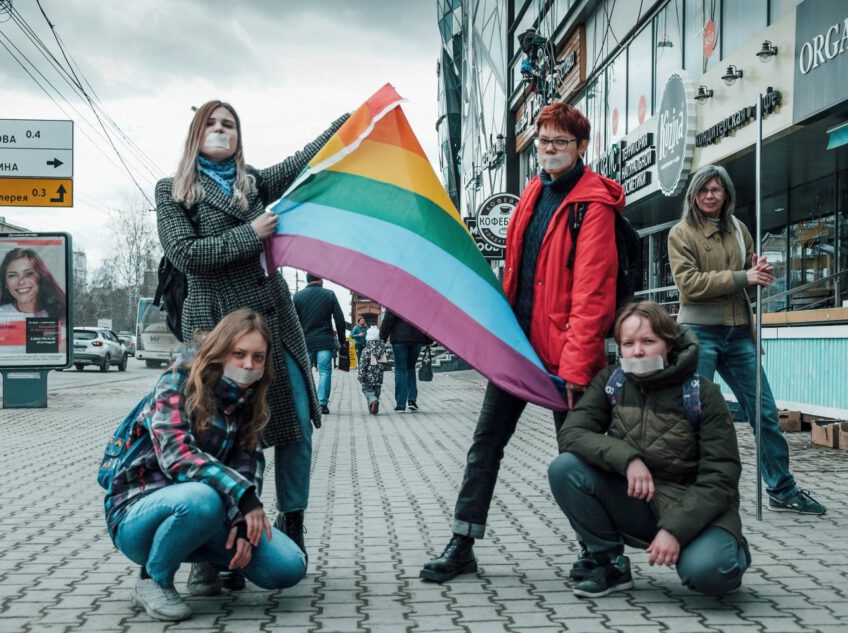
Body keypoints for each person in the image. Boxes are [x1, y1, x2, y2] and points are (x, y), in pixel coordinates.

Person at [420, 102, 624, 582]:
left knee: (576, 455)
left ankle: (603, 554)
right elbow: (517, 274)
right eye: (543, 141)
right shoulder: (533, 193)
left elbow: (592, 294)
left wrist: (576, 369)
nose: (548, 150)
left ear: (580, 147)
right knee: (485, 443)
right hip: (519, 351)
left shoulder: (593, 206)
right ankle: (463, 541)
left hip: (568, 358)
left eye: (559, 142)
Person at [156, 101, 348, 585]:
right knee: (219, 434)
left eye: (230, 126)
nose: (222, 131)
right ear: (196, 133)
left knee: (296, 424)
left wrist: (349, 122)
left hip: (273, 321)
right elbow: (186, 254)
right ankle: (212, 550)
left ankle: (293, 522)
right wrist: (250, 233)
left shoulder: (254, 182)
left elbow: (302, 163)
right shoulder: (174, 191)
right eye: (213, 124)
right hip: (216, 328)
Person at [103, 309, 306, 622]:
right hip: (139, 512)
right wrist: (244, 497)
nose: (248, 365)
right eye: (239, 354)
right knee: (201, 498)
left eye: (258, 357)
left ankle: (205, 563)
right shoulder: (178, 379)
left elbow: (247, 462)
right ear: (220, 349)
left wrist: (241, 522)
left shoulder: (248, 398)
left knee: (288, 565)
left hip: (205, 511)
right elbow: (177, 455)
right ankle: (153, 579)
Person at [549, 301, 750, 598]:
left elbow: (721, 476)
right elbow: (572, 434)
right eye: (628, 343)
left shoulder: (702, 393)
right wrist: (627, 459)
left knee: (712, 574)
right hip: (638, 500)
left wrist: (675, 530)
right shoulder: (611, 382)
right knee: (565, 468)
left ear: (668, 344)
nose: (637, 352)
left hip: (695, 507)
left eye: (648, 341)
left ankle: (729, 550)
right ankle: (610, 564)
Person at [667, 164, 825, 515]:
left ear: (727, 194)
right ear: (693, 194)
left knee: (765, 413)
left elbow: (748, 282)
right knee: (693, 415)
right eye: (704, 189)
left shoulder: (740, 230)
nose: (710, 195)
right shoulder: (681, 233)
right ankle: (683, 490)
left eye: (717, 189)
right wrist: (743, 276)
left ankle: (782, 489)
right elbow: (688, 285)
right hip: (699, 334)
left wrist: (760, 277)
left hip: (739, 334)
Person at [293, 274, 347, 415]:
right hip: (324, 340)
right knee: (324, 371)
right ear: (320, 280)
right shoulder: (329, 294)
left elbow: (292, 320)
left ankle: (306, 404)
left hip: (306, 341)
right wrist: (342, 340)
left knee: (305, 372)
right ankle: (322, 403)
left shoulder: (298, 296)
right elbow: (339, 319)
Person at [379, 310, 432, 412]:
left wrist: (382, 338)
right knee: (410, 368)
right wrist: (428, 340)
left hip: (399, 339)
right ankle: (412, 400)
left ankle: (401, 404)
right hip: (417, 339)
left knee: (400, 369)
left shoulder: (395, 299)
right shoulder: (421, 302)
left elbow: (388, 320)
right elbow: (427, 320)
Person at [0, 247, 66, 319]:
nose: (21, 282)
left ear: (41, 277)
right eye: (13, 275)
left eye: (28, 274)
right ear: (5, 282)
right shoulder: (2, 313)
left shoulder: (61, 314)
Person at [358, 325, 388, 415]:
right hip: (378, 377)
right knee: (376, 391)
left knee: (367, 390)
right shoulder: (382, 349)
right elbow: (384, 363)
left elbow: (362, 364)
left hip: (367, 377)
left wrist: (360, 376)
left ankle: (374, 401)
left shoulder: (366, 350)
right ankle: (373, 408)